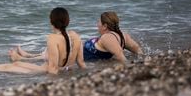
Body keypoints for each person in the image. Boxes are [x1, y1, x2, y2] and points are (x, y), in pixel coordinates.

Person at [0, 7, 86, 74]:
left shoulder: (52, 38)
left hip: (44, 70)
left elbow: (53, 69)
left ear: (51, 21)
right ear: (67, 21)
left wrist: (50, 87)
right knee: (16, 64)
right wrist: (82, 75)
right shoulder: (76, 35)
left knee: (11, 66)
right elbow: (81, 63)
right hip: (60, 69)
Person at [10, 11, 142, 65]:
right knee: (48, 52)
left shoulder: (107, 38)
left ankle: (21, 58)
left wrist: (131, 66)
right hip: (76, 52)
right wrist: (143, 58)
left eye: (99, 23)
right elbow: (137, 49)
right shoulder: (122, 35)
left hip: (74, 57)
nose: (97, 25)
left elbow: (120, 56)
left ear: (105, 26)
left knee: (52, 54)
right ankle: (28, 55)